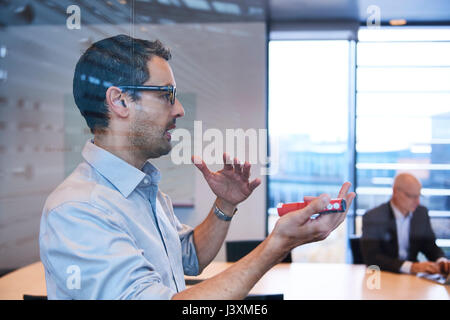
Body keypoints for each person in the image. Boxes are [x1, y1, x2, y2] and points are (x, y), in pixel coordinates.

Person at [39, 34, 356, 300]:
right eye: (167, 95)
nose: (179, 109)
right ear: (120, 101)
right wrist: (278, 245)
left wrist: (225, 204)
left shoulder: (144, 189)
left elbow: (188, 256)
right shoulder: (77, 209)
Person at [361, 173, 449, 275]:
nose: (417, 201)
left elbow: (430, 246)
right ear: (395, 192)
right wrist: (411, 267)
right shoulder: (374, 216)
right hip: (385, 276)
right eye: (411, 196)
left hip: (413, 279)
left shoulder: (421, 213)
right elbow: (372, 258)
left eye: (418, 196)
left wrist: (441, 259)